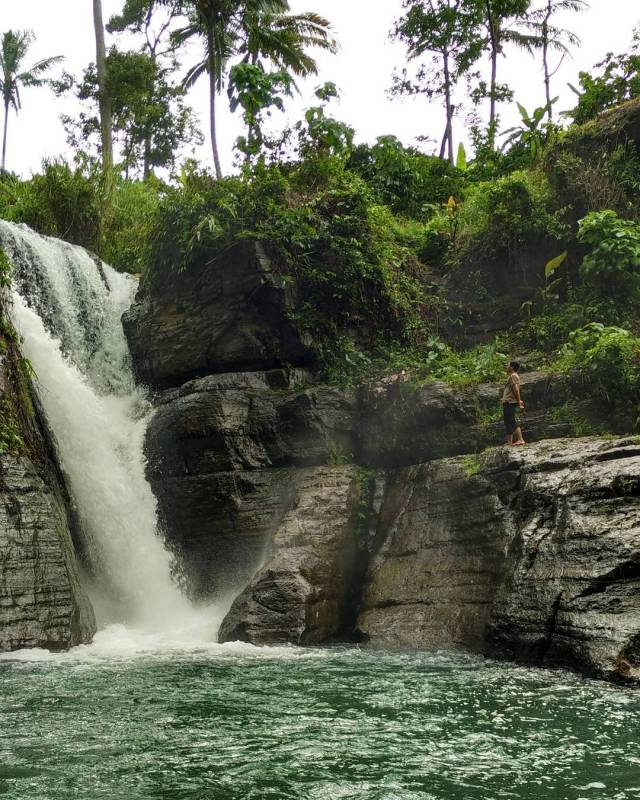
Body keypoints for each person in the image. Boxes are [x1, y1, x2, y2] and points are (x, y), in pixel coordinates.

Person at [502, 360, 525, 446]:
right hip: (508, 401)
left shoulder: (513, 376)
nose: (506, 366)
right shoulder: (512, 376)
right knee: (507, 421)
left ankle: (520, 439)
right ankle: (509, 442)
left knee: (511, 420)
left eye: (508, 365)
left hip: (510, 402)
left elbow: (516, 389)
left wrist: (519, 401)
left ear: (512, 367)